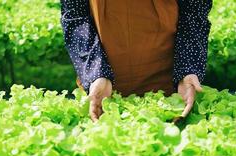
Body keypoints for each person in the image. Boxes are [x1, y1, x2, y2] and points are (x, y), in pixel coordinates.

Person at [60, 0, 213, 122]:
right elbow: (76, 15)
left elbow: (194, 11)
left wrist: (187, 69)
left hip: (172, 93)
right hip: (102, 92)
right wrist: (95, 73)